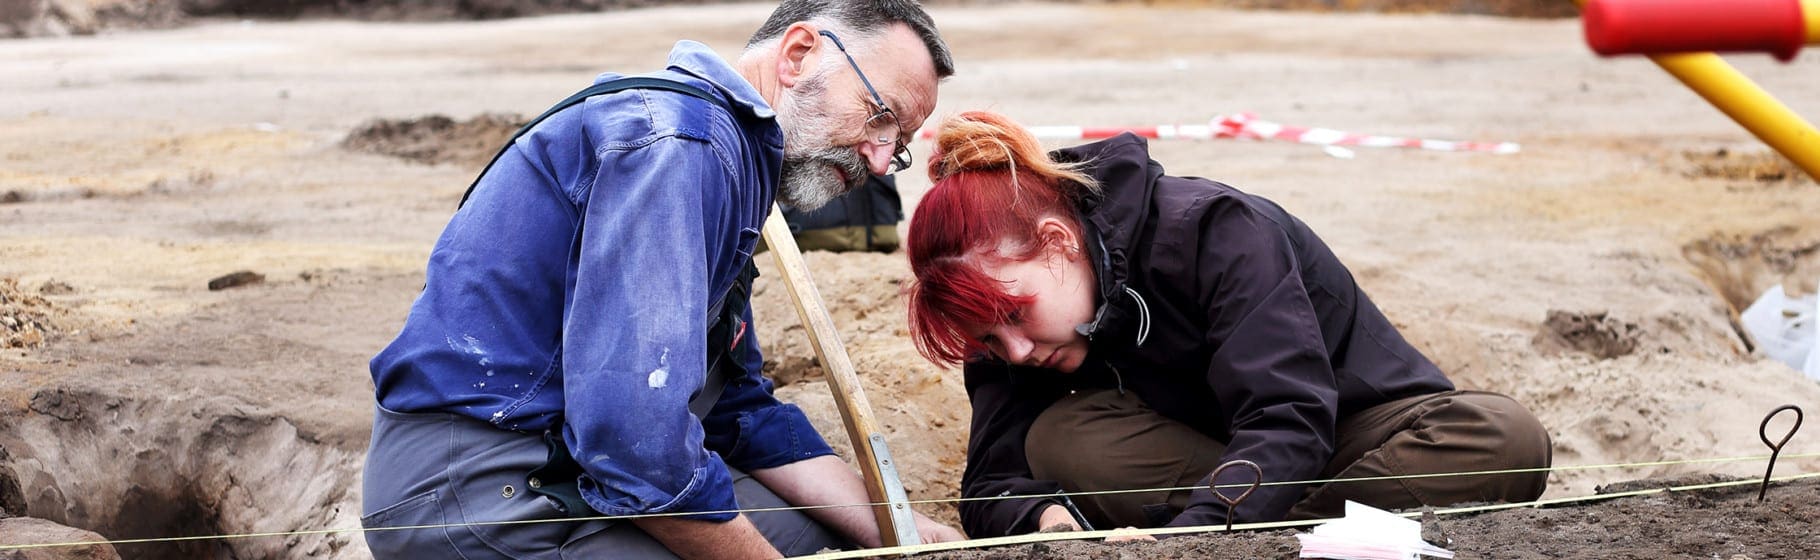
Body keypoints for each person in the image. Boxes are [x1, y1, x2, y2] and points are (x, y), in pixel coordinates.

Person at [360, 2, 965, 558]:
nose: (879, 160)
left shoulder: (726, 156)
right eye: (880, 118)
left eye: (898, 144)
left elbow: (734, 406)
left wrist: (896, 524)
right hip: (478, 490)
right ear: (799, 54)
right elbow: (634, 440)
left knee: (819, 529)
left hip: (545, 458)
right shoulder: (680, 147)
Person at [902, 111, 1553, 538]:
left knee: (1502, 435)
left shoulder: (1214, 228)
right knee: (1060, 437)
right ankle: (1309, 537)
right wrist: (1045, 517)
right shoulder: (991, 307)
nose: (1014, 350)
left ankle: (1264, 539)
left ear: (1057, 242)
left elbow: (1289, 417)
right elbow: (989, 482)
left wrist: (1204, 534)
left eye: (1017, 316)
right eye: (990, 339)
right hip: (1209, 457)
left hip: (1346, 438)